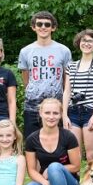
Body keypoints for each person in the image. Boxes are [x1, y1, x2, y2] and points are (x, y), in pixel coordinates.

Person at [17, 98, 81, 185]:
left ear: (61, 115)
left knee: (54, 167)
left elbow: (76, 166)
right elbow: (31, 170)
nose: (51, 117)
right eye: (47, 113)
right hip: (44, 181)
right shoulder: (32, 139)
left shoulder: (69, 136)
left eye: (55, 113)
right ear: (40, 113)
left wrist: (53, 170)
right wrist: (45, 183)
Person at [18, 11, 72, 139]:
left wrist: (64, 103)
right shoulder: (25, 51)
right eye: (39, 24)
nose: (43, 27)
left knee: (57, 141)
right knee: (31, 141)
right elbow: (26, 78)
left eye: (47, 24)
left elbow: (66, 79)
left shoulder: (63, 50)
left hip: (56, 104)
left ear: (53, 28)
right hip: (32, 104)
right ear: (33, 27)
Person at [62, 29, 93, 162]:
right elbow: (67, 91)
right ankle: (76, 183)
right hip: (73, 113)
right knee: (74, 155)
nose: (87, 44)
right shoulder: (71, 66)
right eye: (84, 40)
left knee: (91, 155)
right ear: (79, 42)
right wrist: (64, 115)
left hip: (90, 112)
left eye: (90, 41)